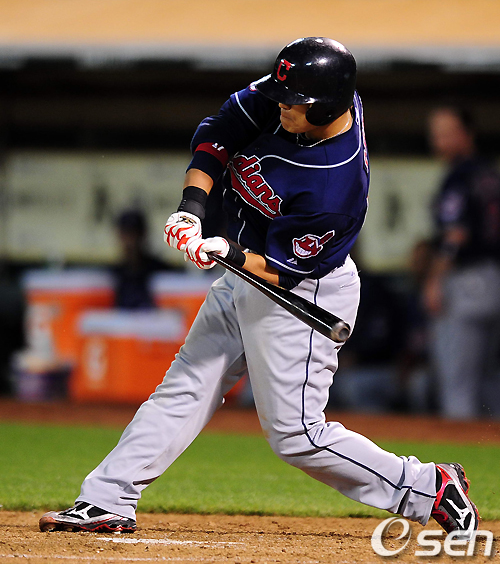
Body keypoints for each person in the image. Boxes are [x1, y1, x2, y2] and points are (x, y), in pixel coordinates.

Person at [39, 38, 478, 537]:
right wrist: (192, 208)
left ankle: (427, 487)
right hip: (243, 273)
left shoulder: (335, 185)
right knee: (186, 384)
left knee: (297, 435)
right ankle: (107, 500)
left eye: (295, 102)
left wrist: (227, 251)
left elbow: (284, 270)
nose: (281, 105)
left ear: (326, 107)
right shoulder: (302, 99)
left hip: (301, 293)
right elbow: (219, 134)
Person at [424, 106, 500, 418]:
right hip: (493, 278)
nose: (439, 141)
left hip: (466, 281)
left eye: (447, 133)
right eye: (436, 134)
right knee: (489, 380)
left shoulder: (460, 176)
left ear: (467, 134)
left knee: (458, 383)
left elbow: (455, 235)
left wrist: (434, 280)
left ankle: (463, 449)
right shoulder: (489, 174)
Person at [112, 208, 173, 309]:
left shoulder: (161, 272)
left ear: (143, 235)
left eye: (134, 234)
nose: (130, 241)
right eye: (125, 234)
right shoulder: (115, 275)